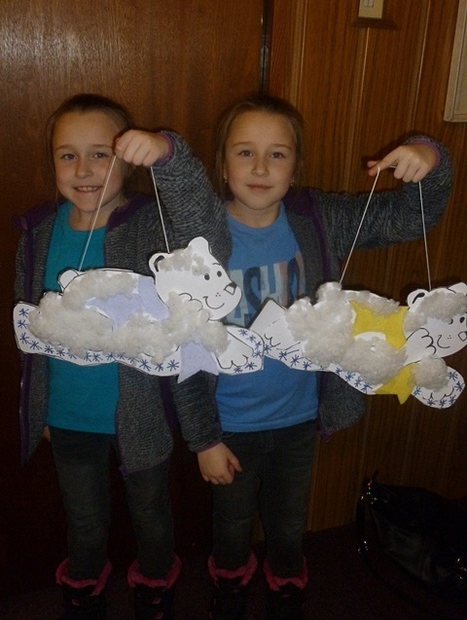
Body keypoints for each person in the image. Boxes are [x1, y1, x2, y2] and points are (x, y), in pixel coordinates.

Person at [196, 93, 452, 620]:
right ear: (221, 165)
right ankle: (230, 583)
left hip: (298, 416)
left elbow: (409, 218)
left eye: (277, 154)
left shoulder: (317, 218)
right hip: (227, 422)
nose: (261, 167)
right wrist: (203, 437)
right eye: (244, 152)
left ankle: (287, 583)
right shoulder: (198, 234)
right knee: (231, 522)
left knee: (290, 521)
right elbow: (178, 343)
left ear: (296, 169)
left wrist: (429, 156)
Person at [14, 93, 230, 620]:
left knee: (151, 514)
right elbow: (32, 329)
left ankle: (155, 581)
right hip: (68, 417)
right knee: (83, 518)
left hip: (140, 413)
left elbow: (207, 233)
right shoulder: (38, 231)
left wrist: (169, 155)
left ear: (127, 163)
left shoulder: (149, 225)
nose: (84, 169)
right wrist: (39, 406)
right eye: (68, 155)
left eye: (100, 154)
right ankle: (84, 581)